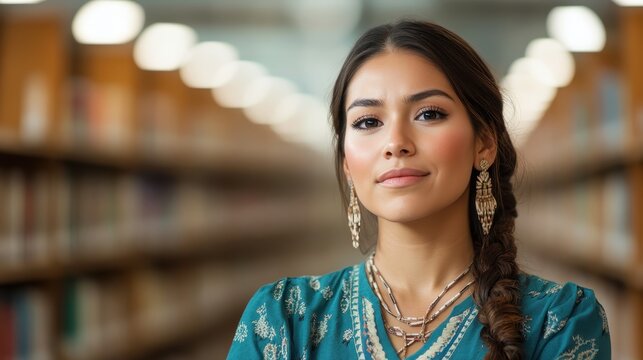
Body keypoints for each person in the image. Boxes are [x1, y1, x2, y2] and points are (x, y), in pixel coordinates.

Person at [226, 20, 611, 360]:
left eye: (429, 114)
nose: (395, 142)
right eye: (367, 121)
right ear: (346, 160)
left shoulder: (559, 322)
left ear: (484, 144)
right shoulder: (283, 319)